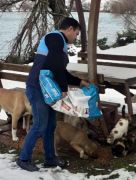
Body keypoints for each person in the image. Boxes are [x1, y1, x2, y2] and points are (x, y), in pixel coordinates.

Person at [16, 17, 88, 172]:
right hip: (37, 88)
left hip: (48, 90)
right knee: (40, 125)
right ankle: (23, 159)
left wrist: (79, 81)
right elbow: (56, 65)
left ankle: (50, 159)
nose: (75, 37)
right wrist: (63, 88)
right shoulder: (54, 37)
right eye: (76, 33)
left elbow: (59, 70)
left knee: (50, 126)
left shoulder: (59, 43)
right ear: (69, 29)